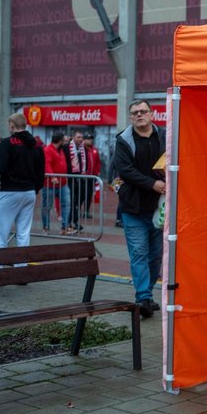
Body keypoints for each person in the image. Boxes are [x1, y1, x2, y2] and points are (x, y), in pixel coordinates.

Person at [113, 101, 166, 318]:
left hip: (159, 209)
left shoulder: (165, 136)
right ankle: (142, 297)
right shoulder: (123, 140)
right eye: (135, 113)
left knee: (155, 256)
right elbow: (125, 171)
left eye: (143, 111)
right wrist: (152, 184)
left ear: (152, 114)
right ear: (130, 117)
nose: (139, 115)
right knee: (139, 253)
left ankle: (148, 294)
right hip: (133, 208)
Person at [0, 113, 45, 249]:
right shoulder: (36, 145)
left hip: (10, 190)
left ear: (12, 125)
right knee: (23, 233)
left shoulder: (7, 143)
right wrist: (35, 188)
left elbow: (0, 167)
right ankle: (22, 261)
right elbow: (41, 172)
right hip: (29, 192)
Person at [42, 132, 72, 234]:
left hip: (62, 183)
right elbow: (47, 164)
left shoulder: (61, 150)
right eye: (64, 141)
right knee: (47, 206)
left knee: (66, 204)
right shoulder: (47, 150)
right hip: (49, 184)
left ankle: (64, 227)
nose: (65, 142)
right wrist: (52, 176)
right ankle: (46, 227)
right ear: (60, 141)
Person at [66, 130, 87, 231]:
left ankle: (74, 220)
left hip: (80, 178)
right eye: (78, 137)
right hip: (70, 178)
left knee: (78, 201)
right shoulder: (66, 147)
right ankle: (70, 222)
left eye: (81, 137)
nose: (80, 139)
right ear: (73, 137)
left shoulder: (83, 148)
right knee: (72, 201)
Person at [83, 133, 101, 219]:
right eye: (88, 139)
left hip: (92, 177)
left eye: (91, 139)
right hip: (83, 177)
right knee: (81, 195)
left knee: (89, 194)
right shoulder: (82, 150)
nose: (90, 141)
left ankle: (86, 211)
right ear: (84, 140)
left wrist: (97, 172)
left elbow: (98, 162)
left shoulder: (94, 150)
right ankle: (77, 211)